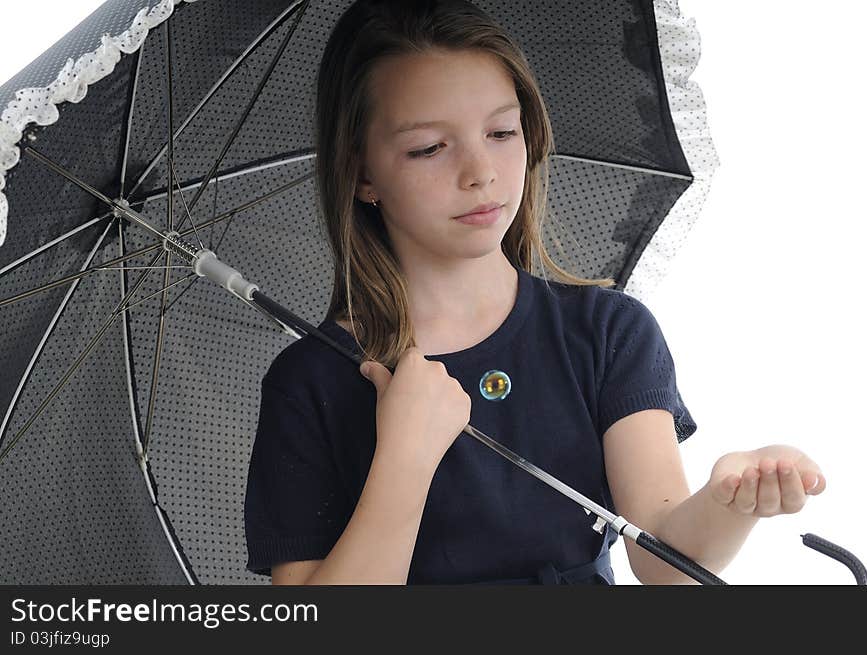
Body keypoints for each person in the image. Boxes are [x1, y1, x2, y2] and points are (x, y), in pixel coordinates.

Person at [244, 0, 825, 585]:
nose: (480, 172)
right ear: (362, 172)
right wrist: (406, 456)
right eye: (428, 147)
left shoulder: (606, 333)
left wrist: (730, 500)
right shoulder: (312, 382)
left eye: (501, 132)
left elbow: (663, 561)